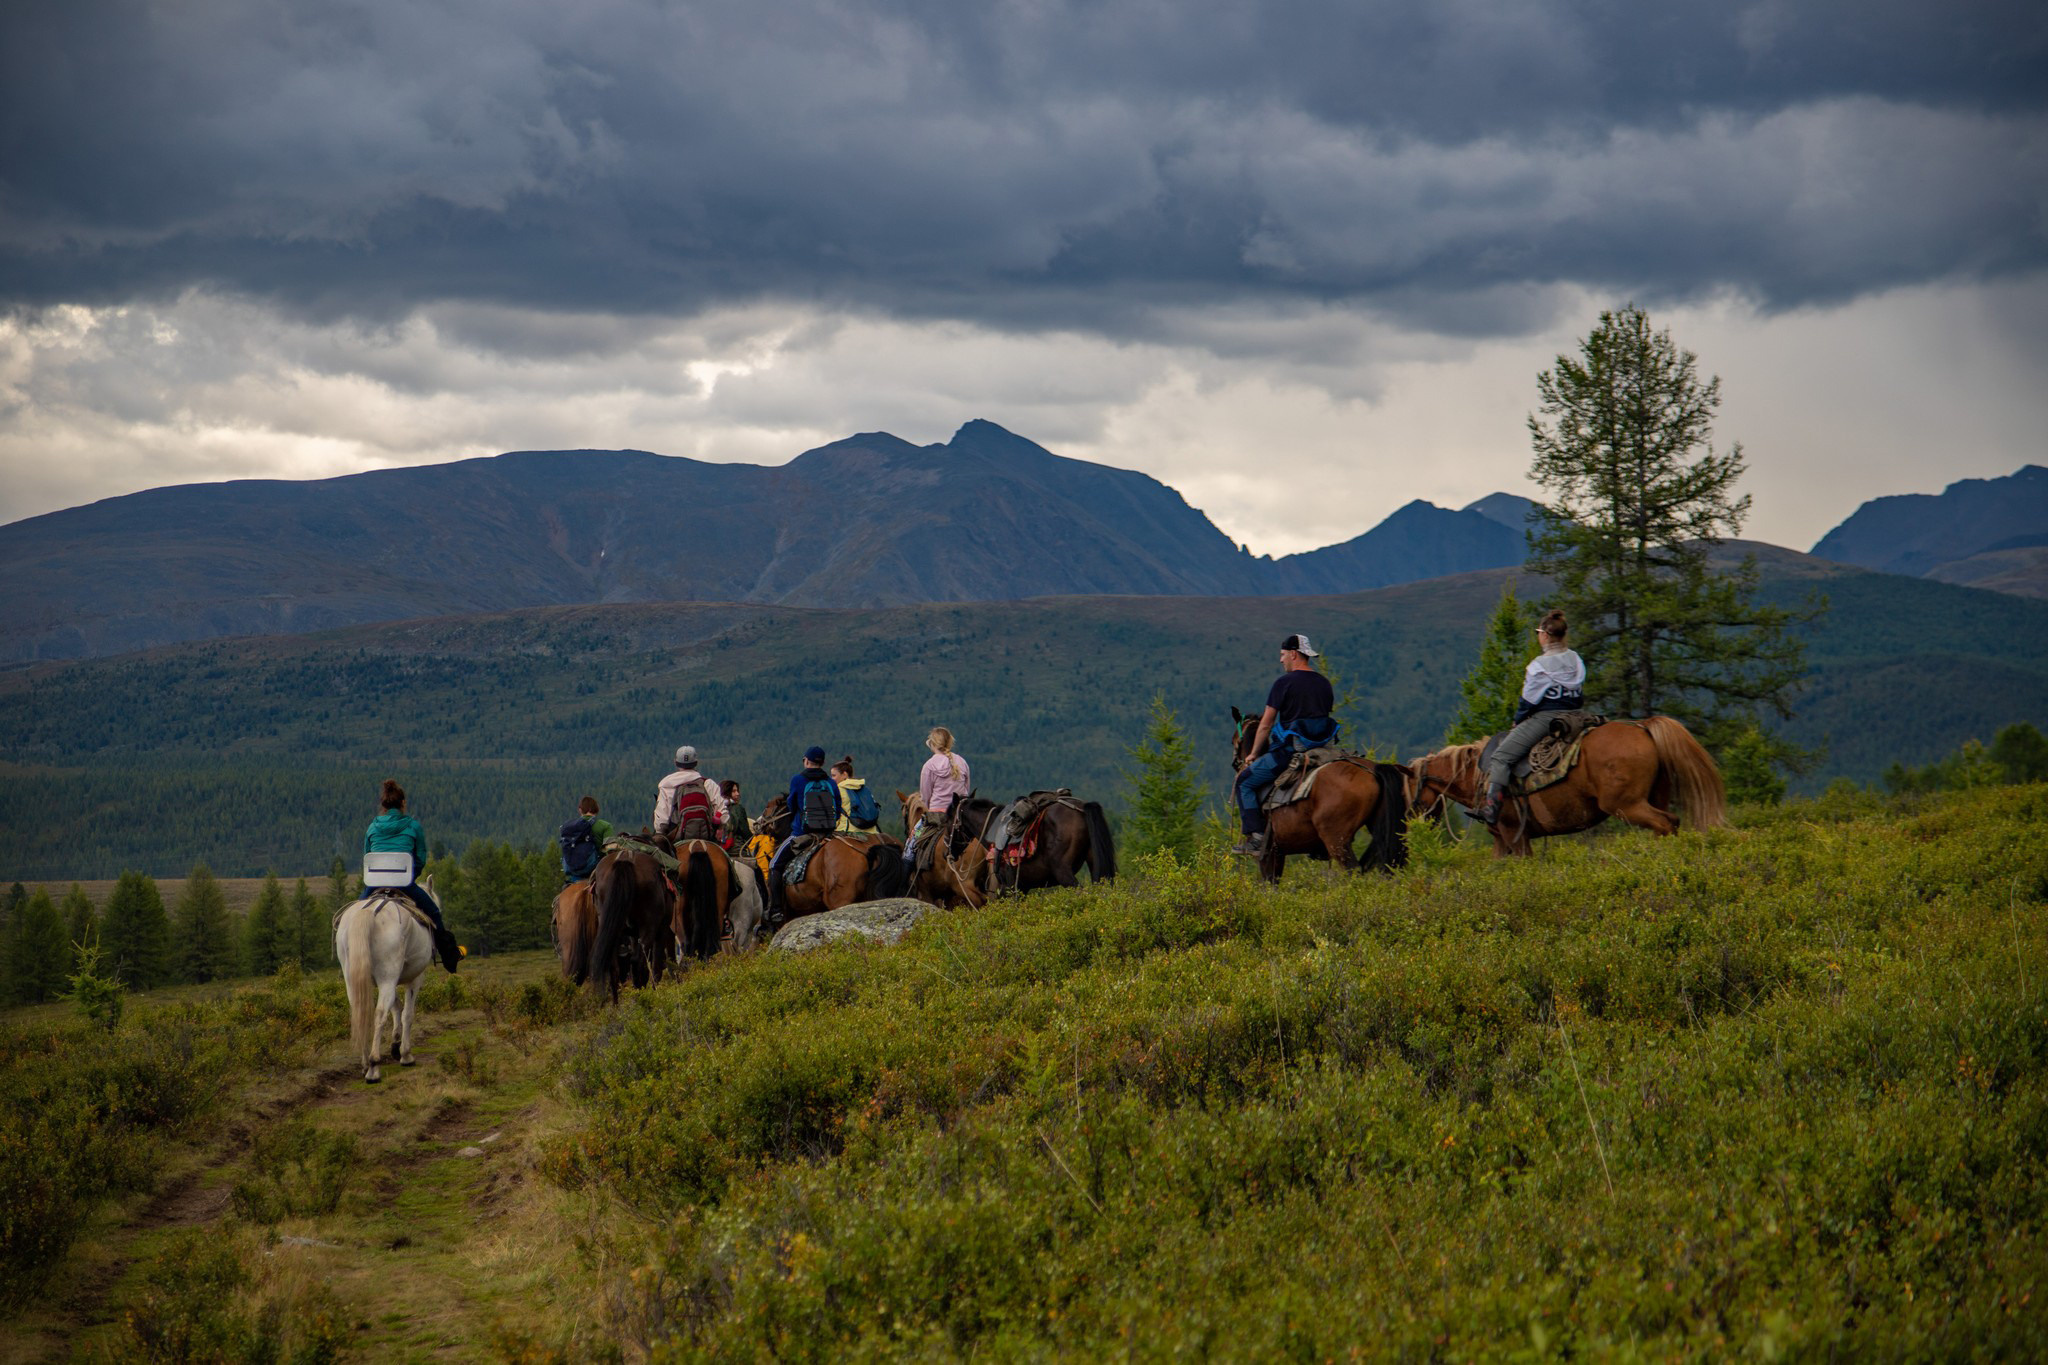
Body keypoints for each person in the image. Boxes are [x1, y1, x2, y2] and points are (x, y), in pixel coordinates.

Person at [1475, 610, 1586, 826]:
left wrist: (1518, 720)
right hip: (1576, 715)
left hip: (1547, 718)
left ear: (1544, 635)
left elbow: (1529, 699)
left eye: (1539, 632)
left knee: (1501, 757)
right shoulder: (1575, 658)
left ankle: (1492, 809)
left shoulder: (1539, 665)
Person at [1233, 634, 1338, 856]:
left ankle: (1257, 839)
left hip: (1290, 751)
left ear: (1293, 653)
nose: (1281, 660)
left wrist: (1252, 754)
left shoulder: (1284, 683)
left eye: (1282, 655)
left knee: (1244, 782)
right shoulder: (1323, 683)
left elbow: (1266, 725)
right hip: (1323, 749)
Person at [364, 779, 462, 972]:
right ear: (403, 803)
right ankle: (449, 957)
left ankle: (348, 958)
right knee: (433, 912)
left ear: (383, 805)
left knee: (355, 915)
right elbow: (420, 858)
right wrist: (410, 875)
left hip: (373, 883)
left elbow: (367, 856)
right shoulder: (413, 826)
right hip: (404, 882)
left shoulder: (372, 827)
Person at [765, 746, 843, 928]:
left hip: (802, 833)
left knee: (774, 864)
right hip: (828, 833)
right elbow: (837, 808)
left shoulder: (798, 780)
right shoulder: (831, 783)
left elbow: (792, 806)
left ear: (806, 761)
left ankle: (776, 909)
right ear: (822, 763)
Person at [904, 726, 972, 868]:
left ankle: (905, 884)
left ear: (932, 744)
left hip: (937, 815)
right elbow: (966, 790)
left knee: (910, 847)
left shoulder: (929, 766)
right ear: (950, 743)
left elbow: (925, 796)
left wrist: (930, 808)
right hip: (960, 814)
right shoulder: (962, 762)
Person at [653, 745, 729, 843]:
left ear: (675, 762)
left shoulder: (667, 785)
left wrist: (660, 833)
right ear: (696, 762)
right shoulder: (708, 784)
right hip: (707, 838)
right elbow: (723, 814)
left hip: (677, 838)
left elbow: (661, 820)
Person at [557, 795, 612, 883]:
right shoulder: (605, 826)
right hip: (596, 872)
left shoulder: (569, 827)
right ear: (597, 809)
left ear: (580, 810)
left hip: (572, 873)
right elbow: (610, 852)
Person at [832, 756, 881, 832]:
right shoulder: (863, 787)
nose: (832, 779)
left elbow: (834, 814)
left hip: (847, 830)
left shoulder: (838, 789)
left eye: (834, 775)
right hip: (872, 831)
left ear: (844, 774)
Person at [721, 779, 752, 845]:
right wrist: (753, 840)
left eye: (737, 791)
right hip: (736, 846)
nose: (737, 794)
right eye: (733, 791)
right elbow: (744, 830)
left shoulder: (718, 807)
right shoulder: (737, 808)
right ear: (726, 792)